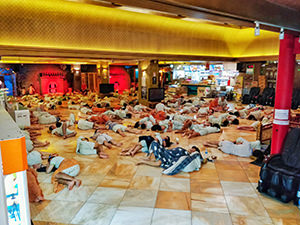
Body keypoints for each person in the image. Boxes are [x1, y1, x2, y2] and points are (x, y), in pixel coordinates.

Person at [137, 142, 204, 175]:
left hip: (170, 159)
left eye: (193, 150)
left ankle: (143, 162)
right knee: (155, 143)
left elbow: (202, 159)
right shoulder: (182, 149)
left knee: (159, 163)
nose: (191, 150)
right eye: (192, 148)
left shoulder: (186, 157)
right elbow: (172, 150)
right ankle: (148, 157)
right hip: (166, 153)